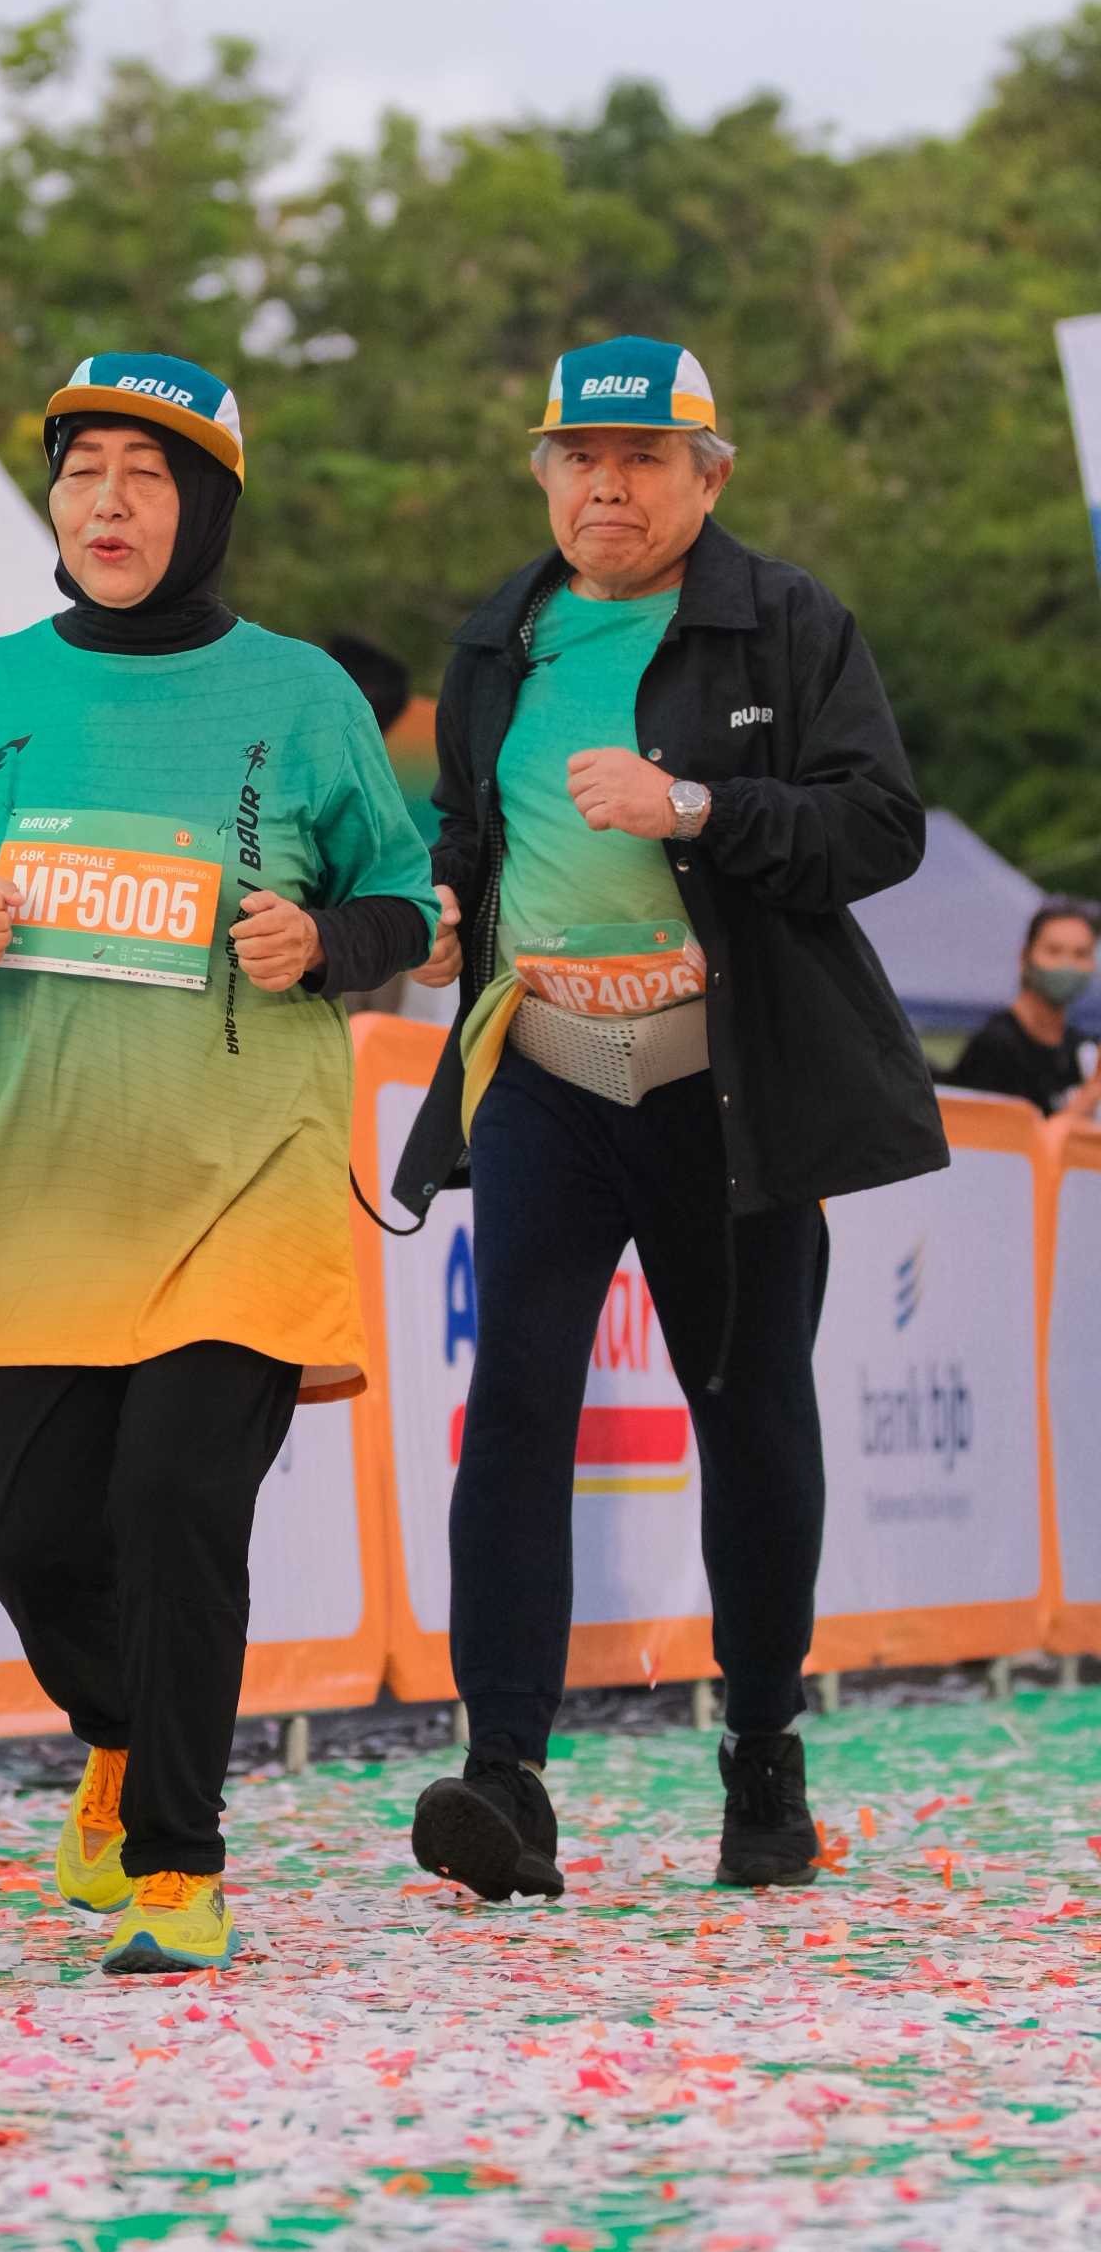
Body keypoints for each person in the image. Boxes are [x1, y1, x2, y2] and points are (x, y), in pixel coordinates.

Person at [0, 349, 438, 1971]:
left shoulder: (304, 698)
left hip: (245, 1175)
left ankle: (181, 1867)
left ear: (208, 507)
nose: (107, 505)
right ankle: (120, 1742)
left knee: (179, 1499)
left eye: (146, 475)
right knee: (26, 1530)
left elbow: (408, 905)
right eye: (82, 472)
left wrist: (321, 940)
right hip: (44, 1190)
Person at [391, 335, 947, 1898]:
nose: (608, 486)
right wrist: (444, 905)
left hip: (723, 1079)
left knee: (750, 1411)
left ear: (711, 475)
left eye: (643, 459)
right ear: (542, 474)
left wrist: (695, 806)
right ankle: (505, 1778)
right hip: (545, 1067)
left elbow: (881, 827)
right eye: (580, 457)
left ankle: (763, 1756)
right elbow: (466, 826)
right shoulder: (498, 635)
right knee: (515, 1406)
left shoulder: (788, 619)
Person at [946, 904, 1101, 1132]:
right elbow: (1005, 1146)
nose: (1067, 965)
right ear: (1025, 957)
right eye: (1054, 951)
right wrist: (1090, 1095)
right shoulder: (995, 1047)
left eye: (1081, 954)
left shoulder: (1082, 1048)